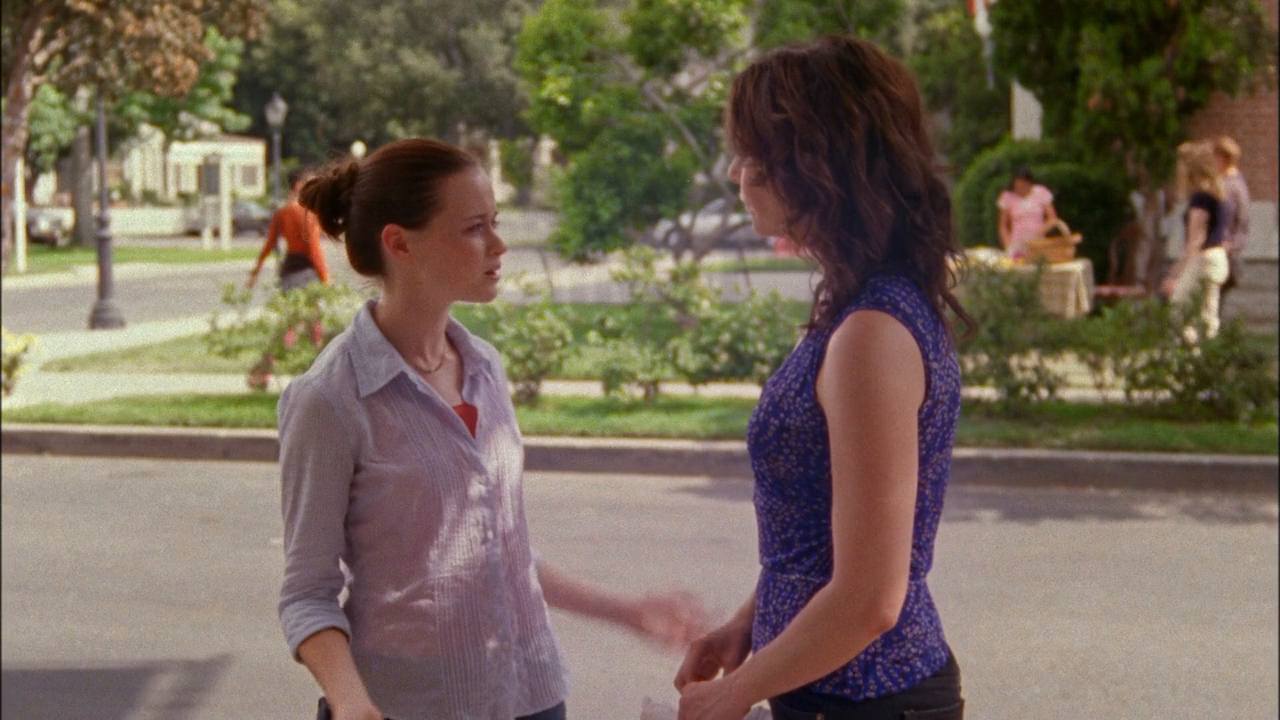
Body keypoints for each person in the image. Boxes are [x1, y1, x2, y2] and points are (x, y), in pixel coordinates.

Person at [278, 138, 707, 720]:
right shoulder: (329, 399)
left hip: (532, 694)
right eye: (474, 228)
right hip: (407, 707)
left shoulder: (484, 366)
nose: (500, 246)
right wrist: (351, 700)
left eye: (495, 223)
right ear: (399, 243)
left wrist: (627, 611)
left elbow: (501, 552)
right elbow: (307, 594)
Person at [674, 35, 972, 720]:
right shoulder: (859, 301)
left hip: (870, 699)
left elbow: (870, 600)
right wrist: (747, 625)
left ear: (815, 164)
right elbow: (819, 540)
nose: (736, 172)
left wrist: (732, 695)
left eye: (753, 155)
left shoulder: (872, 333)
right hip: (829, 690)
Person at [1162, 141, 1228, 340]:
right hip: (1218, 258)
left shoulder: (1200, 198)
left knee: (1179, 311)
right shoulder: (1217, 193)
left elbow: (1196, 239)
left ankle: (1190, 353)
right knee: (1208, 316)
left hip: (1203, 259)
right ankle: (1209, 353)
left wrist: (1175, 274)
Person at [249, 168, 330, 292]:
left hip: (289, 270)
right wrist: (325, 277)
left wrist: (255, 272)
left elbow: (269, 245)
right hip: (307, 271)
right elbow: (313, 249)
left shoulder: (282, 213)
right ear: (299, 185)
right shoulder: (308, 215)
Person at [1212, 136, 1251, 303]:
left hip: (1224, 249)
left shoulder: (1235, 185)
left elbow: (1242, 220)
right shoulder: (1217, 180)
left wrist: (1232, 244)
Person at [996, 165, 1058, 262]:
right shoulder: (1007, 196)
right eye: (1018, 184)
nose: (1021, 187)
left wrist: (1039, 232)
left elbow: (1052, 219)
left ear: (1030, 182)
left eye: (1024, 183)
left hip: (1038, 243)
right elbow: (1003, 225)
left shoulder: (1041, 192)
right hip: (1017, 244)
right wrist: (1008, 245)